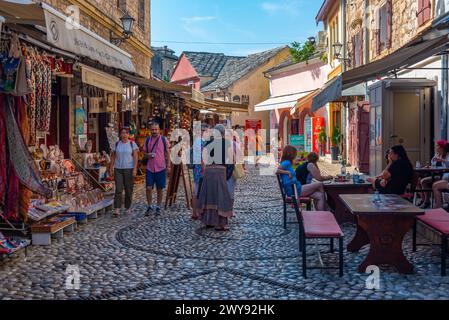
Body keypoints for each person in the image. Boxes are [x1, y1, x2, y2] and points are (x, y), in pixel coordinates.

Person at [196, 124, 235, 231]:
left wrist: (205, 171)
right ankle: (221, 224)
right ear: (223, 133)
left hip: (209, 171)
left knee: (209, 196)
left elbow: (203, 158)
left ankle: (208, 221)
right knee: (221, 197)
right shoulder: (226, 143)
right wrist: (227, 174)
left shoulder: (208, 142)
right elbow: (231, 160)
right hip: (220, 171)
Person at [276, 145, 327, 211]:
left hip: (295, 188)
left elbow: (296, 162)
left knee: (320, 196)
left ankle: (321, 214)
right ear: (290, 153)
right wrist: (288, 173)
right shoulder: (286, 162)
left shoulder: (287, 162)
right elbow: (276, 170)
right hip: (295, 190)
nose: (295, 155)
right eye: (295, 153)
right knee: (320, 184)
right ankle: (326, 209)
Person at [109, 127, 139, 217]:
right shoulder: (117, 144)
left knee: (128, 189)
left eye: (126, 133)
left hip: (129, 168)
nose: (124, 134)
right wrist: (111, 167)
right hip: (118, 169)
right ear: (120, 134)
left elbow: (135, 157)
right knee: (118, 189)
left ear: (128, 134)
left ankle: (127, 207)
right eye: (122, 133)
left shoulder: (132, 144)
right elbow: (113, 156)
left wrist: (135, 168)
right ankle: (117, 208)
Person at [144, 122, 170, 216]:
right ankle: (150, 206)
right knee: (148, 188)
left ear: (159, 130)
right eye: (153, 129)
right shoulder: (147, 140)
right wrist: (148, 155)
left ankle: (158, 206)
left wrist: (169, 165)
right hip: (150, 168)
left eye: (156, 129)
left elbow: (167, 153)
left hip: (161, 167)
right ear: (150, 130)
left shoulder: (163, 140)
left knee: (160, 188)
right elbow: (145, 154)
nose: (154, 131)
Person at [416, 140, 449, 208]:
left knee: (432, 183)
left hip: (444, 176)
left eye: (437, 146)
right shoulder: (436, 155)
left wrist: (442, 160)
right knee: (422, 181)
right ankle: (426, 200)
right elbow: (434, 165)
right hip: (436, 175)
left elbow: (447, 165)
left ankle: (438, 205)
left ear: (442, 147)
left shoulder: (447, 155)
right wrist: (429, 166)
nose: (436, 147)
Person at [191, 123, 209, 220]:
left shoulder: (199, 140)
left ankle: (197, 211)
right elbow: (202, 158)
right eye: (206, 131)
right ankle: (195, 212)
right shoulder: (199, 141)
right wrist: (204, 169)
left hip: (198, 168)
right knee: (197, 191)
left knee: (198, 191)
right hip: (200, 169)